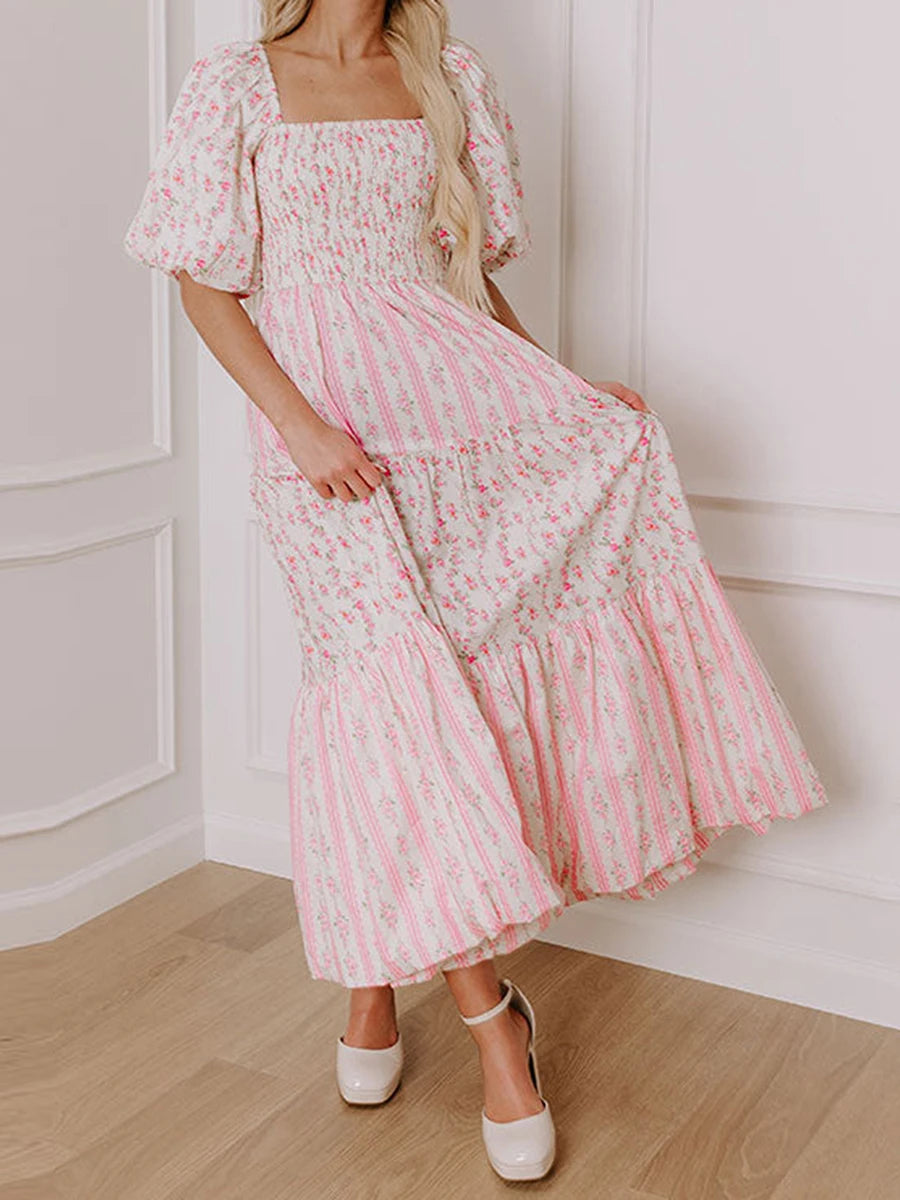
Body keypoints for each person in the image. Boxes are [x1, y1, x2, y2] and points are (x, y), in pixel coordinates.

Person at [123, 0, 829, 1181]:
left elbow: (462, 283)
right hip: (324, 437)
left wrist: (557, 388)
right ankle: (496, 1021)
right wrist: (299, 429)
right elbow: (205, 288)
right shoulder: (237, 84)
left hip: (452, 408)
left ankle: (373, 984)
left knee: (442, 700)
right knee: (383, 696)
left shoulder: (445, 74)